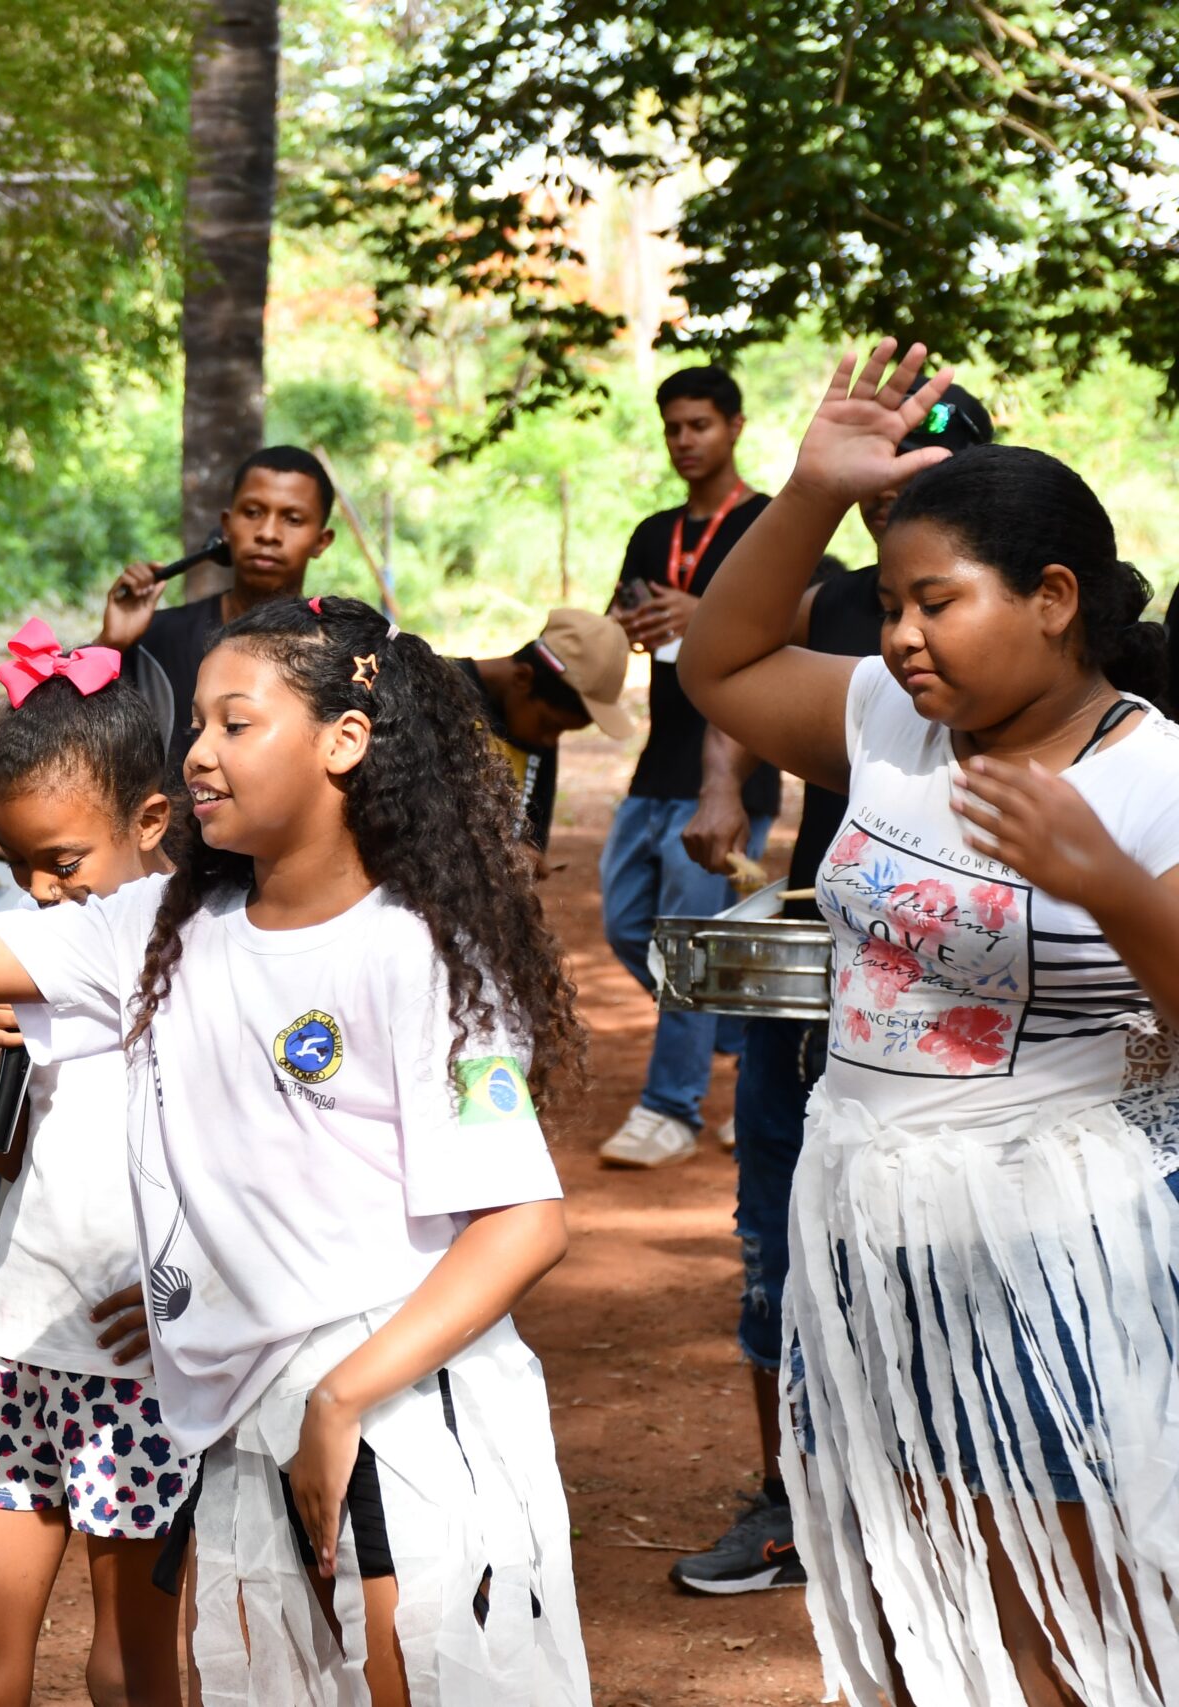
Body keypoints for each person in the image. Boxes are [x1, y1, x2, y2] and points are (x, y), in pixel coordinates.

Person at [0, 597, 592, 1703]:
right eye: (197, 728)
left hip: (398, 1406)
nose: (199, 756)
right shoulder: (162, 926)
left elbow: (524, 1221)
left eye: (236, 725)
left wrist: (342, 1400)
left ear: (346, 740)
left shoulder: (414, 954)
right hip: (239, 1410)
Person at [680, 340, 1179, 1704]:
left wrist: (1105, 882)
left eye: (935, 601)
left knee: (1065, 1617)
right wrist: (801, 495)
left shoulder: (1156, 777)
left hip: (1060, 1251)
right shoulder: (893, 723)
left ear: (1056, 597)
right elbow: (719, 668)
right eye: (890, 602)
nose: (899, 635)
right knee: (910, 1597)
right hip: (875, 1237)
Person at [669, 381, 991, 1598]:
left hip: (975, 1065)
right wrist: (720, 790)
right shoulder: (835, 613)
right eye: (893, 473)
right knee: (781, 1228)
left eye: (937, 472)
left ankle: (960, 1499)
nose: (911, 636)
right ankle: (790, 1494)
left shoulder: (1104, 731)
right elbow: (728, 677)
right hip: (818, 965)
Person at [0, 622, 188, 1707]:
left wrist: (195, 1282)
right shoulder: (45, 947)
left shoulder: (200, 938)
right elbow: (6, 1152)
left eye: (62, 861)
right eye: (13, 863)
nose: (36, 889)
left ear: (151, 820)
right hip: (22, 1328)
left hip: (146, 1359)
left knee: (131, 1665)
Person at [598, 365, 783, 1168]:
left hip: (734, 766)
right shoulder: (653, 530)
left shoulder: (772, 523)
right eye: (673, 427)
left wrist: (705, 615)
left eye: (700, 425)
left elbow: (796, 629)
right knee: (624, 922)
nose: (684, 441)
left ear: (735, 426)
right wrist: (628, 624)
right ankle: (755, 1048)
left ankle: (671, 1107)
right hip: (655, 761)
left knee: (686, 942)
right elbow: (615, 622)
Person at [95, 445, 336, 772]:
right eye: (252, 512)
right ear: (226, 525)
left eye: (292, 519)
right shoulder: (154, 639)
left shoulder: (339, 655)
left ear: (321, 541)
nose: (267, 533)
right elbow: (60, 733)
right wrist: (110, 644)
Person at [448, 608, 636, 857]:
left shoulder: (536, 735)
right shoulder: (434, 698)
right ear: (523, 678)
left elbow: (531, 837)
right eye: (551, 726)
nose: (550, 740)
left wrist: (526, 854)